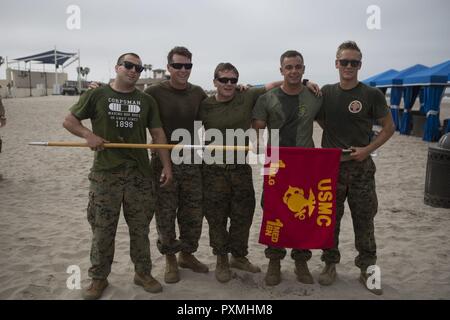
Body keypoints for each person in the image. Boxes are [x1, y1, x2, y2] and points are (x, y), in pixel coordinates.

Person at [63, 53, 173, 300]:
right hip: (105, 174)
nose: (134, 71)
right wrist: (87, 135)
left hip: (139, 175)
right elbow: (69, 121)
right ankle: (99, 278)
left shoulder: (145, 101)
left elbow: (157, 134)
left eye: (139, 68)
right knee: (103, 229)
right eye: (129, 65)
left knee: (140, 228)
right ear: (117, 67)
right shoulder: (96, 95)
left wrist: (167, 166)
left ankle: (143, 273)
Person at [316, 41, 395, 295]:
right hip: (332, 169)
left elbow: (389, 128)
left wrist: (367, 150)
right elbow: (312, 113)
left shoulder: (371, 94)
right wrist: (308, 83)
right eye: (344, 62)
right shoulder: (325, 92)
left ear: (360, 65)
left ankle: (367, 268)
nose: (349, 66)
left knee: (365, 221)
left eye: (354, 62)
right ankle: (329, 265)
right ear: (336, 63)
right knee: (329, 220)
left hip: (361, 168)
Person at [199, 62, 287, 283]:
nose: (228, 84)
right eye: (223, 80)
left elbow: (273, 84)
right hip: (213, 170)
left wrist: (305, 82)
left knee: (243, 215)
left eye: (233, 80)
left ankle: (238, 256)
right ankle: (221, 259)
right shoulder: (205, 105)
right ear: (215, 82)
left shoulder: (246, 96)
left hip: (240, 168)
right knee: (217, 217)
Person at [252, 50, 323, 286]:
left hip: (306, 162)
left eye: (298, 67)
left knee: (304, 212)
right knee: (274, 211)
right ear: (281, 70)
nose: (293, 70)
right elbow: (257, 124)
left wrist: (307, 84)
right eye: (288, 67)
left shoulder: (315, 96)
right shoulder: (267, 98)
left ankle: (301, 261)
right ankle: (274, 261)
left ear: (303, 69)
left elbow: (328, 119)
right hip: (277, 161)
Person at [144, 47, 209, 284]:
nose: (183, 70)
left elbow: (217, 108)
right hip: (164, 161)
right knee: (166, 212)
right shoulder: (153, 92)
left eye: (188, 66)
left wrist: (243, 88)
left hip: (192, 160)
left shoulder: (198, 93)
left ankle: (187, 254)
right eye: (178, 65)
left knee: (193, 211)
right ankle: (170, 258)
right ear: (169, 67)